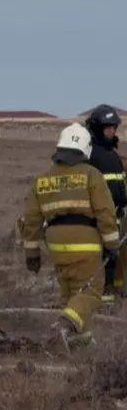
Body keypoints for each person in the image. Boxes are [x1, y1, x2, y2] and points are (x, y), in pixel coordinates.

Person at [22, 122, 119, 352]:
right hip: (85, 241)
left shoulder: (42, 179)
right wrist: (112, 244)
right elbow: (105, 213)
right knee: (91, 291)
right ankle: (64, 326)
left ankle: (77, 341)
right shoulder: (91, 175)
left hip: (55, 245)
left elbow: (32, 220)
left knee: (71, 293)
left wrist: (32, 255)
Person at [83, 105, 127, 303]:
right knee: (100, 260)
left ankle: (110, 298)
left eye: (113, 127)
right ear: (96, 128)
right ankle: (96, 300)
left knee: (113, 259)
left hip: (114, 217)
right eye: (106, 127)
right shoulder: (91, 154)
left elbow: (119, 184)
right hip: (96, 218)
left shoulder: (113, 155)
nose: (111, 131)